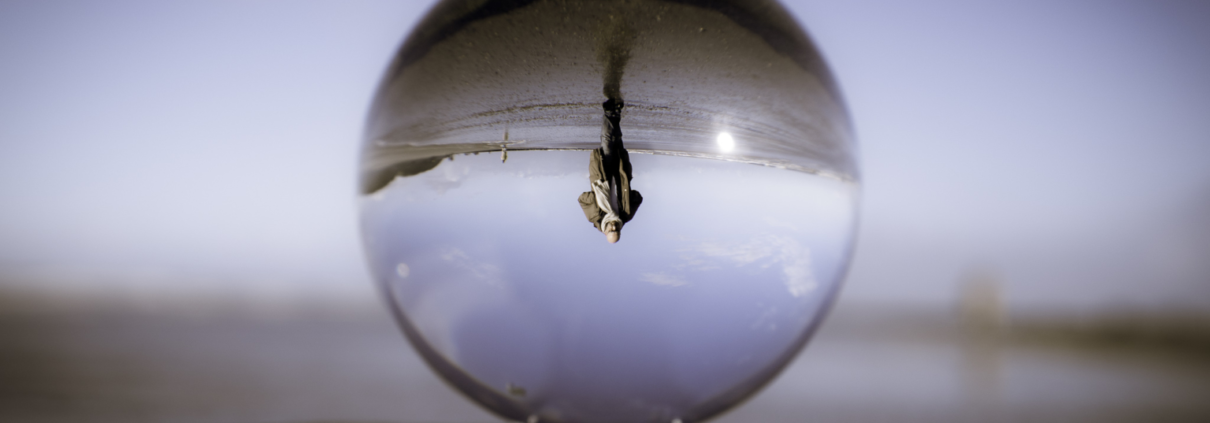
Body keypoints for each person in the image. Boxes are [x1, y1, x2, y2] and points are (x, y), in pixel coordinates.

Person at [578, 98, 642, 243]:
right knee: (618, 141)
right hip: (620, 173)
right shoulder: (626, 215)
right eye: (617, 230)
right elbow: (638, 197)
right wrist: (628, 194)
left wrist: (594, 201)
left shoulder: (594, 217)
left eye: (611, 231)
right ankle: (616, 113)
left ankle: (610, 111)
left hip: (602, 174)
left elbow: (582, 199)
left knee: (607, 142)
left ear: (605, 232)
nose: (613, 227)